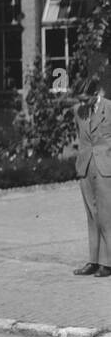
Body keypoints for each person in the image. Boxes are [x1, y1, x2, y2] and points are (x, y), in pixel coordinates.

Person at [73, 73, 111, 276]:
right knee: (92, 216)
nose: (82, 104)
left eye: (85, 100)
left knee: (107, 216)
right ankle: (93, 261)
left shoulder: (110, 108)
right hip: (86, 168)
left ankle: (108, 263)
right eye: (79, 100)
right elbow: (81, 138)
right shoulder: (78, 111)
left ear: (95, 94)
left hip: (106, 168)